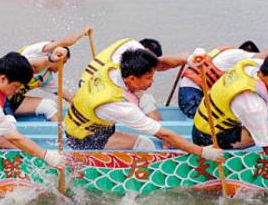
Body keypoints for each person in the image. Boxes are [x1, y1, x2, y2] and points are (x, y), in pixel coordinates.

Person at [65, 48, 224, 164]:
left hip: (84, 123)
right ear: (132, 79)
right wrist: (203, 152)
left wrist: (188, 59)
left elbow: (159, 63)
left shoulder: (115, 67)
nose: (152, 82)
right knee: (146, 144)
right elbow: (165, 135)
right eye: (149, 78)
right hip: (84, 139)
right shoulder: (118, 106)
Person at [191, 51, 268, 175]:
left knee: (266, 131)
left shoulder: (249, 66)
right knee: (267, 134)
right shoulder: (251, 104)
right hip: (208, 139)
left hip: (203, 125)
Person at [178, 31, 268, 118]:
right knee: (215, 120)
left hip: (189, 94)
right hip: (192, 96)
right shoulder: (236, 55)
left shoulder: (227, 57)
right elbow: (267, 56)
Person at [79, 37, 186, 121]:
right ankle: (162, 133)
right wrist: (184, 58)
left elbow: (159, 65)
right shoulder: (133, 49)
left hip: (89, 87)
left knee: (141, 96)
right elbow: (161, 63)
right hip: (95, 90)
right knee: (145, 100)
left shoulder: (129, 53)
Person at [5, 28, 93, 121]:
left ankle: (63, 133)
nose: (61, 67)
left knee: (50, 105)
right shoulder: (36, 51)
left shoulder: (45, 77)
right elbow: (67, 42)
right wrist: (83, 32)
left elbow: (69, 97)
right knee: (47, 107)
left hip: (13, 100)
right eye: (62, 62)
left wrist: (91, 108)